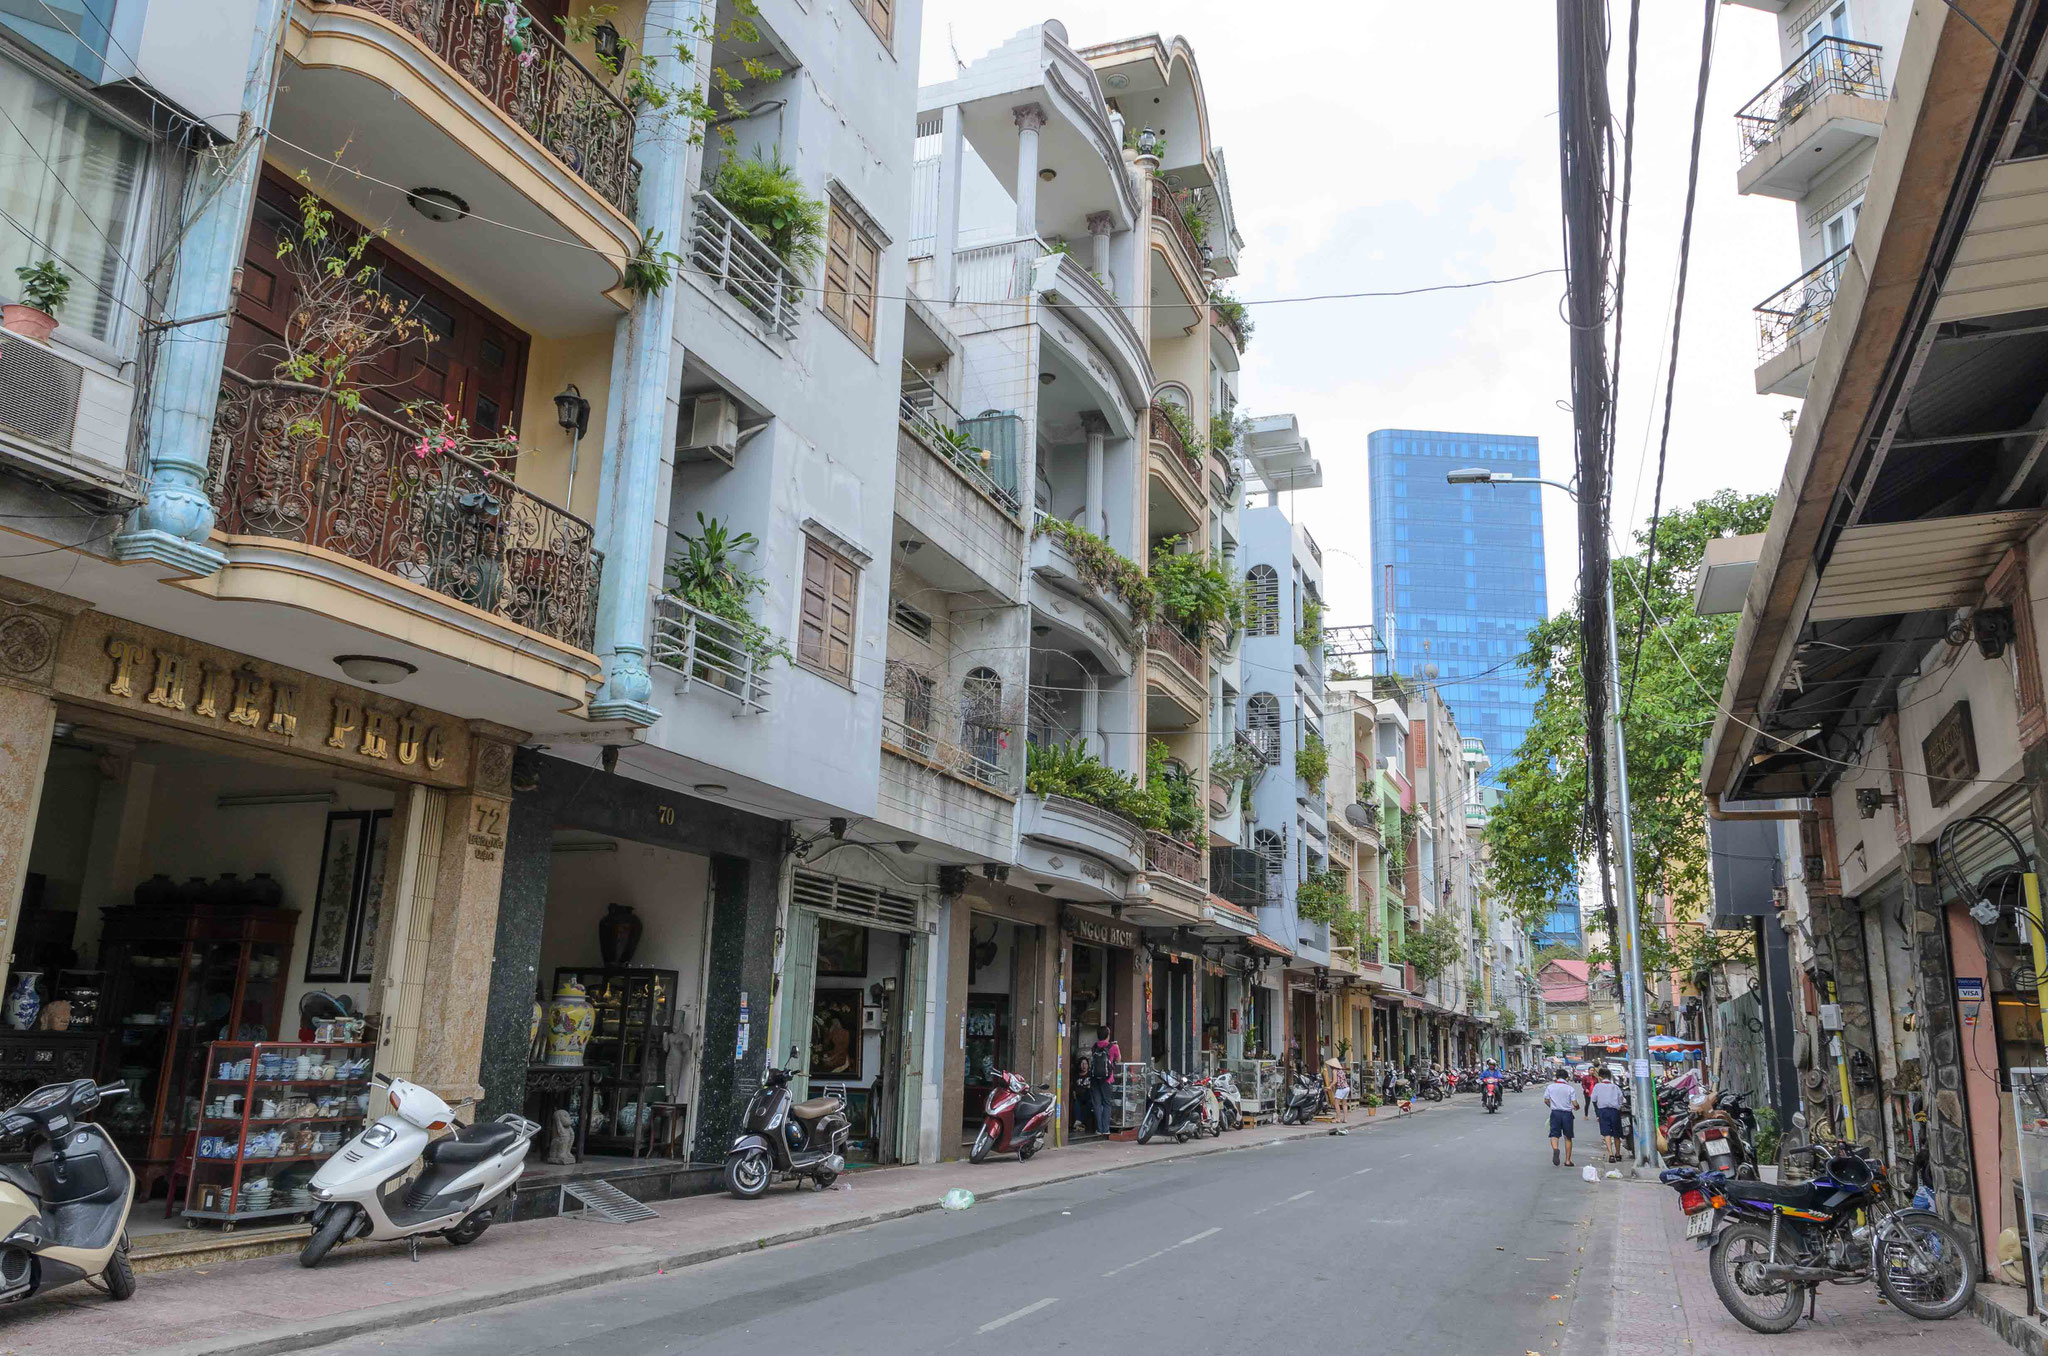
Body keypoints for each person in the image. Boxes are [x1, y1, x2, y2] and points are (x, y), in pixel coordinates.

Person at [1087, 1025, 1119, 1136]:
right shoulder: (1114, 1047)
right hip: (1107, 1079)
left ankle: (1099, 1129)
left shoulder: (1094, 1046)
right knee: (1106, 1103)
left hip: (1095, 1078)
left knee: (1097, 1104)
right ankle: (1105, 1129)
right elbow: (1118, 1059)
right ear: (1107, 1034)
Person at [1544, 1068, 1580, 1167]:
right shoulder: (1570, 1088)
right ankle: (1568, 1161)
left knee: (1554, 1135)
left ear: (1556, 1077)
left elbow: (1546, 1100)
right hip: (1567, 1114)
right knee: (1568, 1137)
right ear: (1567, 1078)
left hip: (1555, 1113)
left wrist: (1552, 1106)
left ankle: (1555, 1149)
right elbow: (1574, 1103)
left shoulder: (1550, 1087)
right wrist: (1577, 1107)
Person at [1591, 1067, 1627, 1162]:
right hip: (1614, 1111)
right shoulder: (1615, 1087)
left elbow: (1594, 1099)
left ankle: (1611, 1154)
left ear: (1601, 1077)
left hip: (1603, 1111)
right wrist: (1618, 1106)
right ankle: (1618, 1154)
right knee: (1616, 1133)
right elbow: (1621, 1100)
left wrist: (1597, 1113)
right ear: (1610, 1077)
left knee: (1606, 1133)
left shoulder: (1597, 1086)